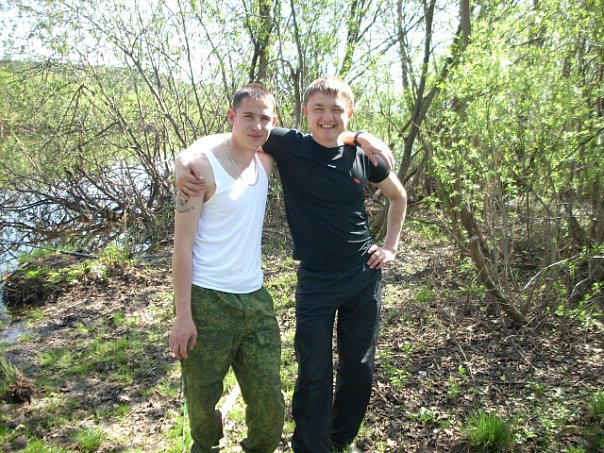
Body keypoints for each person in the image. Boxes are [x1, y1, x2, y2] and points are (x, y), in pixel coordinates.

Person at [176, 77, 407, 453]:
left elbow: (399, 197)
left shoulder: (363, 155)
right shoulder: (289, 145)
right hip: (316, 280)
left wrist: (390, 247)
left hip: (362, 274)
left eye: (337, 110)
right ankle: (310, 444)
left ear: (350, 113)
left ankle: (339, 438)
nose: (327, 117)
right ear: (305, 112)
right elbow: (239, 133)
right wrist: (185, 156)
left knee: (359, 367)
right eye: (319, 109)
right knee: (314, 369)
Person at [170, 83, 285, 453]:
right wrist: (183, 316)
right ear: (231, 117)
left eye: (264, 118)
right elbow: (182, 246)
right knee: (202, 402)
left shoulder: (266, 161)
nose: (256, 125)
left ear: (273, 122)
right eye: (247, 116)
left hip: (255, 299)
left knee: (269, 404)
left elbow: (322, 134)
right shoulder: (200, 170)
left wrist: (361, 138)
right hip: (207, 300)